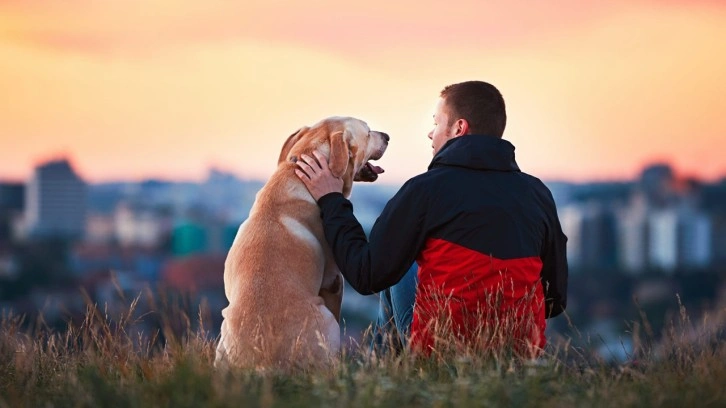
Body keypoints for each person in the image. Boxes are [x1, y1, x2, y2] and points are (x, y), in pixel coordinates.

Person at [294, 80, 568, 357]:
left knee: (397, 266)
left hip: (443, 351)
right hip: (519, 355)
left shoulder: (425, 190)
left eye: (437, 123)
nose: (430, 133)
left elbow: (365, 275)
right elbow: (555, 299)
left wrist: (331, 200)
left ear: (459, 128)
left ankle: (386, 377)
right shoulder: (537, 194)